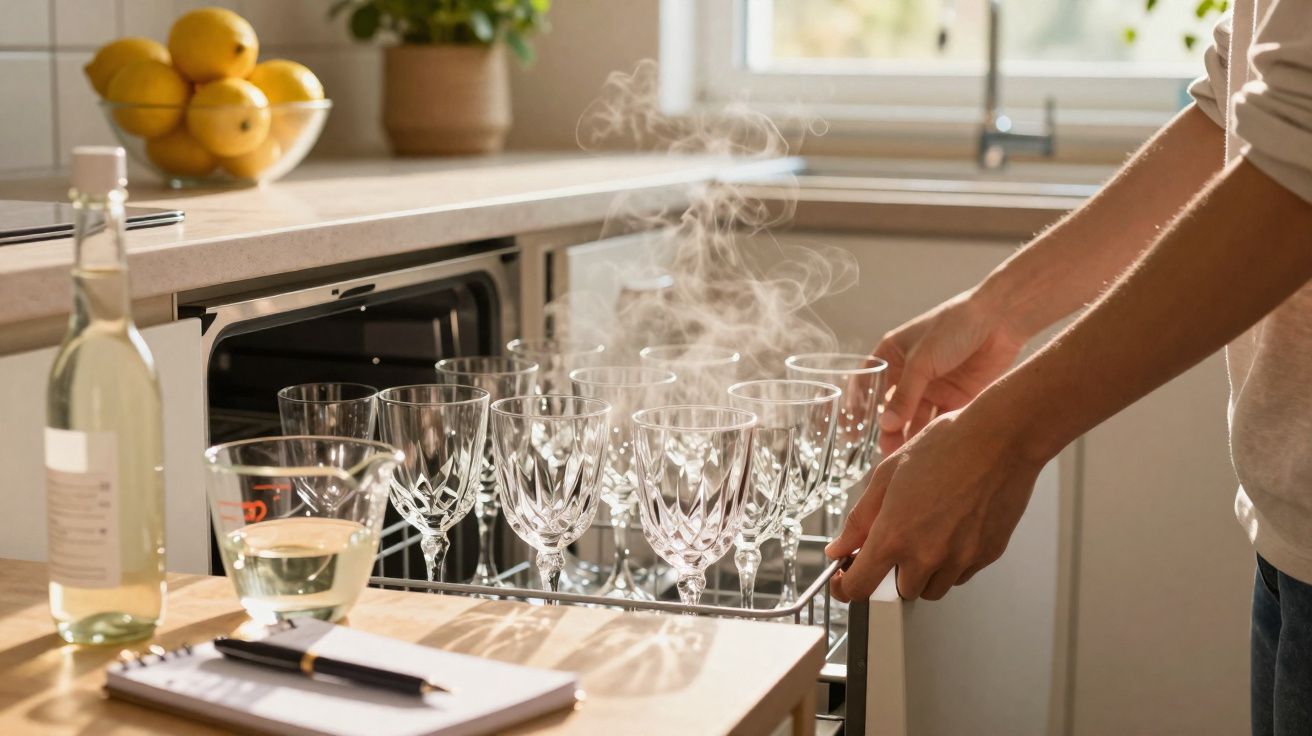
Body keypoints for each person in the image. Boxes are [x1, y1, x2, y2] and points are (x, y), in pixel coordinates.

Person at [825, 2, 1312, 733]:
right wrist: (997, 311)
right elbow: (1239, 107)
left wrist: (1001, 439)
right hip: (1289, 536)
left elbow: (1297, 168)